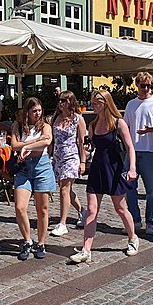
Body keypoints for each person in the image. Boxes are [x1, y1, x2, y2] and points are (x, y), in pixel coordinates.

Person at [69, 90, 138, 263]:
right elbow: (90, 145)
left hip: (114, 169)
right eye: (92, 103)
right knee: (92, 210)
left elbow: (130, 147)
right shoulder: (92, 125)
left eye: (96, 103)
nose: (93, 106)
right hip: (97, 169)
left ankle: (132, 238)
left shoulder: (118, 123)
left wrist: (132, 168)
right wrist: (86, 153)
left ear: (105, 103)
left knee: (120, 208)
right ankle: (86, 249)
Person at [10, 97, 55, 260]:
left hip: (41, 166)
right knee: (20, 207)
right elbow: (14, 146)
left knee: (42, 209)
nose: (38, 113)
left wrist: (28, 146)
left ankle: (41, 242)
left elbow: (47, 141)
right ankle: (27, 240)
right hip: (23, 169)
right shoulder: (18, 126)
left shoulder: (46, 126)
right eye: (34, 111)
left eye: (39, 110)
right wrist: (36, 141)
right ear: (27, 112)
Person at [124, 72, 153, 235]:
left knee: (151, 190)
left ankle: (151, 222)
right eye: (143, 85)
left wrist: (149, 130)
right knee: (128, 187)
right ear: (137, 85)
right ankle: (135, 219)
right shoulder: (131, 104)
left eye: (149, 85)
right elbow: (126, 127)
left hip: (151, 151)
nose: (146, 88)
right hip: (133, 151)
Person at [49, 90, 86, 237]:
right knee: (66, 190)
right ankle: (83, 211)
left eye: (64, 100)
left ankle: (62, 223)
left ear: (71, 102)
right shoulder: (56, 117)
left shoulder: (78, 119)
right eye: (59, 100)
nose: (60, 103)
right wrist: (49, 155)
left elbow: (82, 142)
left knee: (64, 189)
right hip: (58, 157)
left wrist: (83, 162)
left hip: (71, 156)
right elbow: (52, 139)